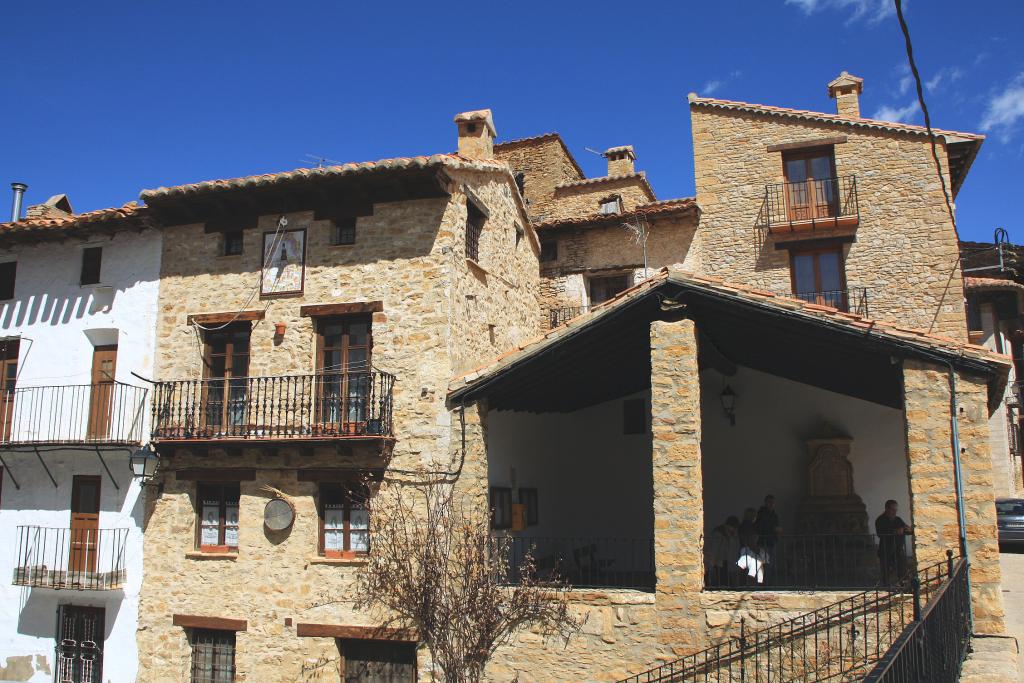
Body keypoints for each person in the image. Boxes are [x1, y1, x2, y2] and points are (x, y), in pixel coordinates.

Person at [875, 499, 912, 585]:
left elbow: (907, 529)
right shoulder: (880, 520)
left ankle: (901, 585)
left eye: (896, 510)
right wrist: (895, 531)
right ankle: (886, 588)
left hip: (898, 550)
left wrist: (907, 529)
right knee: (886, 571)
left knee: (902, 569)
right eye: (892, 509)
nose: (894, 512)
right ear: (887, 509)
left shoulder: (898, 519)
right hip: (886, 550)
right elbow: (880, 533)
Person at [706, 516, 740, 587]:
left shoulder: (730, 533)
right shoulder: (719, 533)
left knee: (725, 582)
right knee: (722, 583)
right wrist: (711, 563)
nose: (734, 530)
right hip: (719, 562)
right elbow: (714, 550)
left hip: (725, 562)